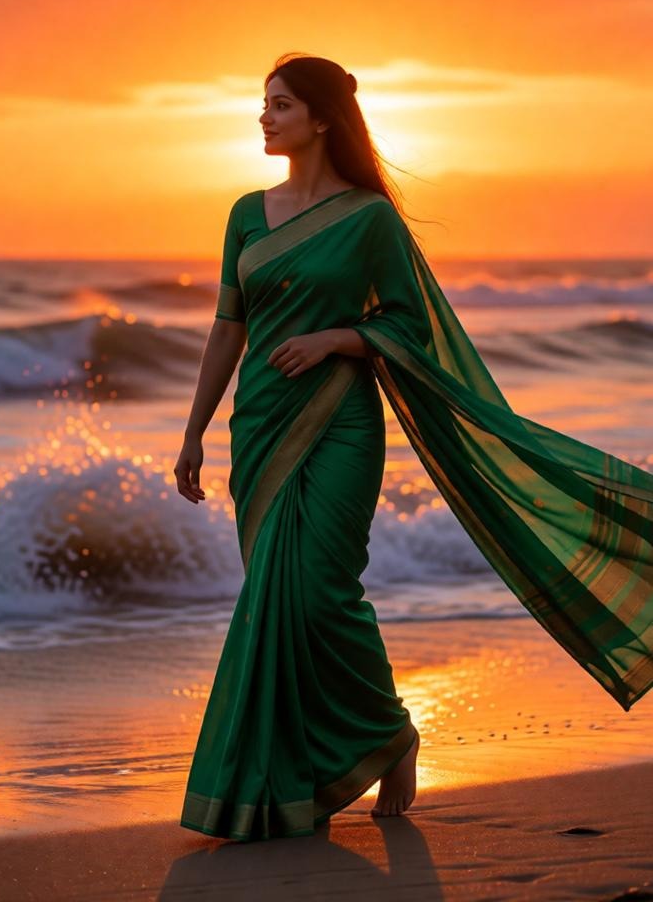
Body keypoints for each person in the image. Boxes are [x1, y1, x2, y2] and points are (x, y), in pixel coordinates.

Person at [175, 53, 653, 843]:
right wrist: (193, 428)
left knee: (322, 592)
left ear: (322, 119)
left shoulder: (369, 218)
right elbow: (228, 326)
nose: (264, 117)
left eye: (281, 105)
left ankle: (392, 732)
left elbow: (410, 323)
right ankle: (301, 778)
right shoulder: (243, 214)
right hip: (259, 428)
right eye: (263, 104)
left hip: (341, 425)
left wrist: (336, 338)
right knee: (275, 602)